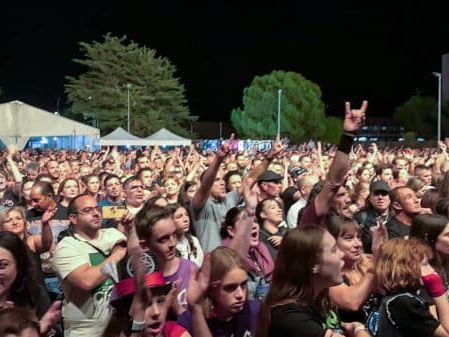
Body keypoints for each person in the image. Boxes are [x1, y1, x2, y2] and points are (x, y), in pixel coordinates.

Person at [256, 227, 370, 337]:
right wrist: (358, 329)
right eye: (334, 250)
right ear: (313, 265)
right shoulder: (293, 319)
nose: (342, 255)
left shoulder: (316, 299)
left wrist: (343, 327)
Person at [53, 194, 127, 336]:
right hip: (86, 330)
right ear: (73, 218)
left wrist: (130, 228)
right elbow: (87, 281)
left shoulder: (113, 234)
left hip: (118, 324)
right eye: (87, 210)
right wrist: (116, 255)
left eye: (97, 209)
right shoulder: (67, 247)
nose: (95, 213)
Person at [178, 247, 261, 337]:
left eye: (243, 285)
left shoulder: (255, 311)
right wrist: (195, 308)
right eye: (230, 288)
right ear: (211, 289)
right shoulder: (189, 321)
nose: (240, 295)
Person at [375, 237, 449, 337]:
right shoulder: (403, 302)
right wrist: (438, 291)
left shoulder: (406, 298)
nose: (432, 271)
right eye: (425, 264)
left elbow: (433, 323)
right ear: (405, 268)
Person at [136, 205, 197, 309]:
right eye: (163, 239)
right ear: (145, 245)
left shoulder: (191, 270)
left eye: (174, 235)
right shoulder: (136, 280)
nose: (172, 243)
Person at [353, 181, 393, 253]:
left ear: (390, 198)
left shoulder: (396, 217)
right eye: (376, 194)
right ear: (369, 198)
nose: (380, 197)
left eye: (384, 194)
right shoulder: (360, 217)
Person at [171, 204, 204, 268]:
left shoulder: (194, 241)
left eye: (186, 215)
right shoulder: (169, 246)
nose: (186, 219)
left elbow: (200, 266)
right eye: (179, 217)